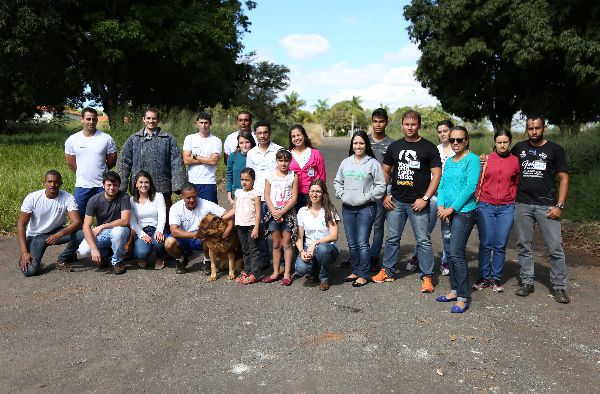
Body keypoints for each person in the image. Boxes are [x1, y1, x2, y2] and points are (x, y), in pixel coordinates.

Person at [372, 110, 442, 294]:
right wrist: (385, 195)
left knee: (423, 241)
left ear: (419, 125)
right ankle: (388, 270)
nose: (409, 127)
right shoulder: (394, 147)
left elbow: (436, 175)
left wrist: (426, 198)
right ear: (402, 125)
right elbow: (384, 171)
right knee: (392, 238)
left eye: (413, 124)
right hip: (396, 201)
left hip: (418, 203)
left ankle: (427, 276)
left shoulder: (429, 148)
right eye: (406, 124)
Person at [511, 114, 570, 304]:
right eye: (530, 128)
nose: (533, 131)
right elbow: (504, 163)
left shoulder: (555, 150)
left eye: (537, 128)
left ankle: (559, 287)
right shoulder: (519, 148)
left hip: (547, 206)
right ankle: (527, 281)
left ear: (544, 128)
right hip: (523, 204)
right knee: (523, 245)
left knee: (555, 247)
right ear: (526, 129)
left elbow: (564, 179)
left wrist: (559, 206)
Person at [435, 126, 481, 313]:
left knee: (456, 252)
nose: (455, 143)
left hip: (464, 212)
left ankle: (463, 296)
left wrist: (451, 209)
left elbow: (470, 188)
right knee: (449, 251)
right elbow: (443, 185)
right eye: (452, 140)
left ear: (466, 141)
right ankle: (454, 290)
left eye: (459, 140)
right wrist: (440, 206)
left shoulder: (473, 160)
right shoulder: (450, 161)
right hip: (446, 211)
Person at [334, 130, 386, 287]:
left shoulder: (372, 163)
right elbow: (337, 182)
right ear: (352, 145)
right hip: (348, 207)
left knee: (362, 242)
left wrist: (368, 196)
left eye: (361, 143)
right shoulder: (346, 162)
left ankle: (363, 274)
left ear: (366, 145)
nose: (358, 146)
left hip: (366, 208)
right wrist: (342, 194)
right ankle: (355, 270)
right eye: (355, 143)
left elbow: (381, 185)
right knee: (352, 243)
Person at [473, 130, 520, 292]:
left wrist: (512, 198)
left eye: (505, 142)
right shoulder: (485, 160)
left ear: (510, 142)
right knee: (486, 244)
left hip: (507, 207)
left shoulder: (515, 161)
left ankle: (496, 278)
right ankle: (484, 276)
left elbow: (516, 183)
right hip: (485, 205)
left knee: (500, 244)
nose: (502, 145)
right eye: (499, 142)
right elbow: (478, 182)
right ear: (495, 142)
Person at [407, 119, 454, 276]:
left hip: (450, 198)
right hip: (433, 196)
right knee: (425, 229)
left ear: (451, 131)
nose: (442, 134)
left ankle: (446, 260)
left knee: (447, 233)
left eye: (445, 131)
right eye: (439, 132)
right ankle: (417, 256)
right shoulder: (435, 149)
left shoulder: (457, 150)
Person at [17, 170, 84, 276]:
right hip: (36, 236)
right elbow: (21, 225)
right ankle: (28, 256)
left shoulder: (68, 197)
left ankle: (64, 258)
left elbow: (77, 222)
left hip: (56, 232)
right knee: (30, 272)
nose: (53, 185)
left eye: (56, 182)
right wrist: (24, 252)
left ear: (61, 183)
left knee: (82, 233)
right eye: (49, 182)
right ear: (44, 183)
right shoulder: (32, 198)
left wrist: (59, 234)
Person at [117, 108, 186, 208]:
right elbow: (124, 162)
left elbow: (176, 161)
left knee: (164, 218)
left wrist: (179, 185)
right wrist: (121, 186)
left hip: (162, 187)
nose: (151, 121)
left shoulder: (168, 139)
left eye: (154, 118)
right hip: (139, 187)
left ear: (158, 120)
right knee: (140, 217)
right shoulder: (134, 139)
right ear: (143, 119)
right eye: (148, 118)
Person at [164, 183, 233, 274]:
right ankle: (181, 259)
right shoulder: (176, 207)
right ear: (182, 197)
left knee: (210, 236)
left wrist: (230, 227)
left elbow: (227, 214)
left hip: (202, 239)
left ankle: (207, 260)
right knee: (169, 243)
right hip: (185, 237)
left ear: (197, 194)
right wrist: (196, 234)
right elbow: (174, 232)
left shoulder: (206, 203)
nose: (192, 200)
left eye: (194, 196)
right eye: (188, 198)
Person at [65, 107, 117, 218]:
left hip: (102, 185)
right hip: (82, 185)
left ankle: (101, 234)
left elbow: (112, 160)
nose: (91, 122)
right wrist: (83, 172)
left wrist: (101, 170)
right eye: (88, 119)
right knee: (79, 218)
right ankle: (83, 235)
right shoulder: (72, 139)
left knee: (105, 217)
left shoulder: (106, 138)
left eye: (94, 119)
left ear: (97, 120)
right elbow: (70, 162)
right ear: (82, 120)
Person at [78, 171, 131, 275]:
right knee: (82, 252)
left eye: (115, 185)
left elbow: (125, 221)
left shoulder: (124, 197)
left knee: (117, 233)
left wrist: (102, 226)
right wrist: (93, 249)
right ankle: (105, 254)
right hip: (103, 233)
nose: (112, 188)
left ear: (119, 185)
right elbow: (86, 226)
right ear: (103, 185)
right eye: (109, 185)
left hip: (120, 230)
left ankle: (117, 262)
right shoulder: (94, 200)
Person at [246, 120, 284, 264]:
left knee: (276, 230)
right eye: (259, 133)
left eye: (265, 132)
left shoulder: (279, 150)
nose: (262, 135)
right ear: (255, 134)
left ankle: (280, 262)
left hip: (275, 198)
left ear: (270, 133)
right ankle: (263, 259)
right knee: (259, 229)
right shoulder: (251, 153)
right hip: (257, 197)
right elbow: (249, 176)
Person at [295, 179, 340, 291]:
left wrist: (315, 243)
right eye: (312, 191)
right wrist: (302, 252)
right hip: (308, 248)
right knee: (301, 268)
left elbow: (334, 236)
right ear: (308, 192)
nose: (314, 194)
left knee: (322, 250)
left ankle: (324, 278)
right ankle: (314, 270)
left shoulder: (329, 210)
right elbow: (299, 237)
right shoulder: (302, 211)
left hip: (327, 247)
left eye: (318, 192)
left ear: (323, 194)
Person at [263, 149, 299, 286]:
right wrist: (274, 212)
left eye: (286, 160)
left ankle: (287, 274)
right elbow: (266, 195)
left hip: (288, 213)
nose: (283, 163)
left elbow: (294, 197)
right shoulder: (270, 175)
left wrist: (282, 211)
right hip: (273, 214)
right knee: (276, 244)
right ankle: (275, 272)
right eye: (281, 160)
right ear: (276, 161)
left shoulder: (293, 175)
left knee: (287, 243)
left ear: (290, 161)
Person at [368, 108, 395, 272]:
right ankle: (360, 255)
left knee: (378, 225)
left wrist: (387, 192)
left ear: (386, 122)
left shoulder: (392, 144)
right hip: (364, 189)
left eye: (381, 121)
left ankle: (373, 256)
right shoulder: (364, 141)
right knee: (362, 224)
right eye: (375, 121)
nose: (378, 125)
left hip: (384, 189)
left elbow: (394, 171)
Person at [129, 171, 167, 270]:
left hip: (156, 228)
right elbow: (132, 222)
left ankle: (160, 257)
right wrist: (142, 235)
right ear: (136, 184)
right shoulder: (132, 200)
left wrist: (159, 230)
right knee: (141, 252)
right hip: (142, 230)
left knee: (159, 243)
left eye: (146, 182)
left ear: (150, 183)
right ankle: (144, 255)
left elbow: (162, 215)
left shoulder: (158, 196)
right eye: (141, 182)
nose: (144, 185)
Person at [183, 112, 222, 204]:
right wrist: (207, 159)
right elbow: (186, 160)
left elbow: (213, 162)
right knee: (192, 211)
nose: (203, 125)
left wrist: (196, 156)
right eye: (201, 122)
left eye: (206, 123)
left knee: (210, 214)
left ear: (210, 124)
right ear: (197, 123)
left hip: (209, 181)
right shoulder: (190, 138)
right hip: (192, 181)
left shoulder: (216, 140)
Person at [232, 168, 262, 284]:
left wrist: (256, 227)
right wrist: (223, 217)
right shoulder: (238, 193)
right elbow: (234, 209)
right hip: (240, 225)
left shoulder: (256, 193)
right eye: (242, 179)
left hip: (251, 226)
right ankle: (247, 270)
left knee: (253, 249)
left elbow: (258, 212)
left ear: (253, 180)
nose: (244, 182)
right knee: (245, 249)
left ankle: (254, 273)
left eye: (247, 180)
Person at [288, 124, 326, 208]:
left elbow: (322, 177)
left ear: (304, 136)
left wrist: (321, 194)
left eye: (298, 135)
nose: (296, 138)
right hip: (292, 197)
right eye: (293, 136)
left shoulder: (316, 153)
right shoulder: (288, 155)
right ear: (291, 139)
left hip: (312, 196)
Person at [226, 131, 256, 207]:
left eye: (247, 142)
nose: (244, 145)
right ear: (238, 144)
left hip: (253, 195)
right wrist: (229, 197)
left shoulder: (256, 156)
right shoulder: (233, 156)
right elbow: (229, 177)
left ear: (251, 142)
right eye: (241, 143)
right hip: (236, 194)